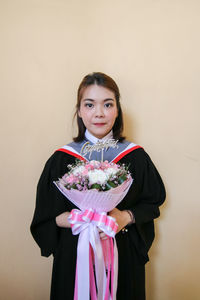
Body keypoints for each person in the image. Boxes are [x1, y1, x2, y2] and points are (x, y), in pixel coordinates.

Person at [30, 72, 166, 300]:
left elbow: (152, 203)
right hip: (75, 259)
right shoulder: (62, 159)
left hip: (123, 259)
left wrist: (124, 217)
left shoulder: (136, 157)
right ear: (80, 111)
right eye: (90, 104)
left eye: (108, 104)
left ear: (117, 110)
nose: (99, 113)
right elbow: (45, 217)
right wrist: (81, 220)